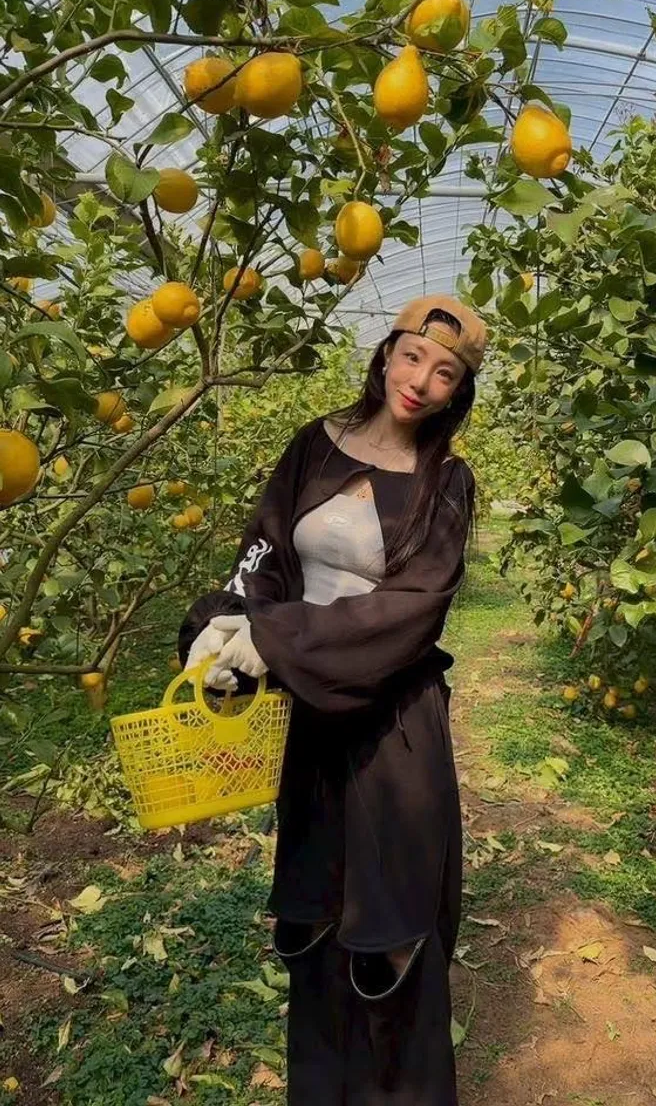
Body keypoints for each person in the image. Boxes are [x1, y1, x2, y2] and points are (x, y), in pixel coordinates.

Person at [177, 294, 487, 1105]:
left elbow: (411, 611)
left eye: (445, 373)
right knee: (312, 917)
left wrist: (277, 639)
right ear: (386, 354)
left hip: (395, 733)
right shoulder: (313, 445)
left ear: (457, 392)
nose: (420, 380)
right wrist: (222, 624)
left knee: (394, 934)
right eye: (412, 356)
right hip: (309, 721)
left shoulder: (447, 482)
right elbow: (263, 556)